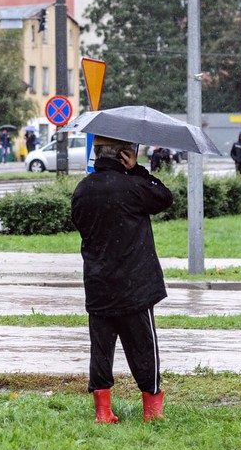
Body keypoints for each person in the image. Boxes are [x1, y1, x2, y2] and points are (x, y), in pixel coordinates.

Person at [71, 136, 173, 424]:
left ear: (97, 153)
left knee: (101, 349)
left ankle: (103, 412)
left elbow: (79, 223)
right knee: (144, 348)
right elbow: (164, 197)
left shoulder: (82, 189)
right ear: (124, 154)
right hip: (134, 286)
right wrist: (137, 169)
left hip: (98, 283)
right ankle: (152, 411)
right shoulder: (133, 187)